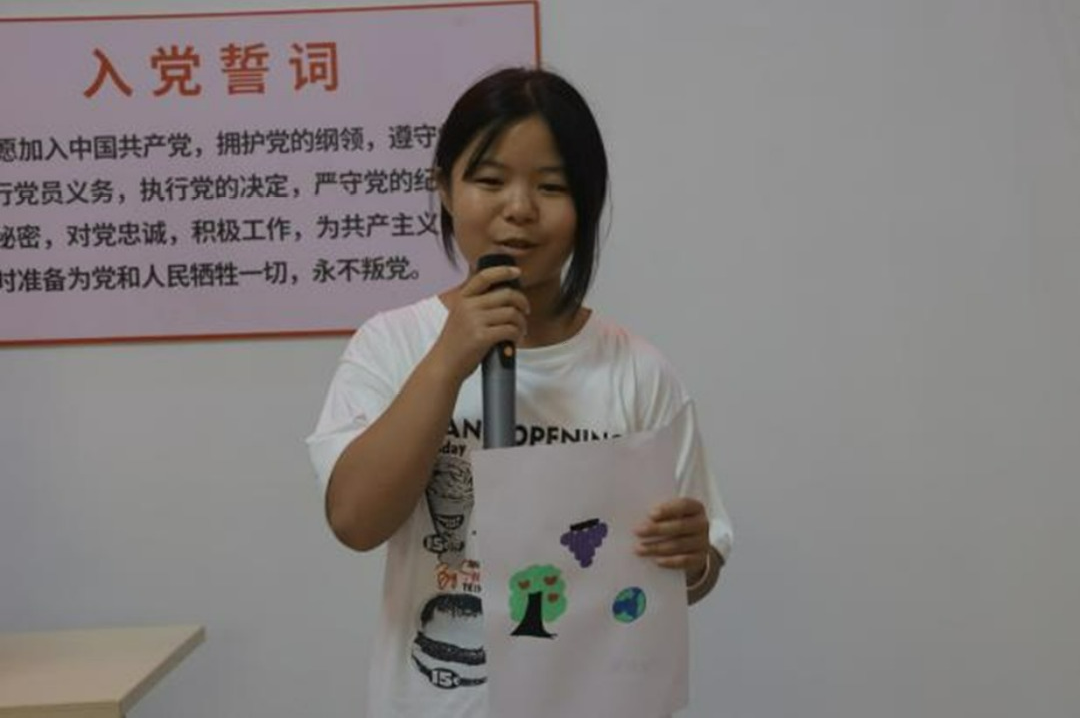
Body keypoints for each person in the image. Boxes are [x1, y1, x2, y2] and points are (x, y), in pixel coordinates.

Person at [306, 66, 733, 718]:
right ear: (444, 188)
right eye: (489, 180)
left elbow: (692, 571)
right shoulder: (391, 344)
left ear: (585, 204)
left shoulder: (638, 371)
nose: (520, 209)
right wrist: (448, 359)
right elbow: (356, 521)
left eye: (552, 186)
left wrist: (692, 558)